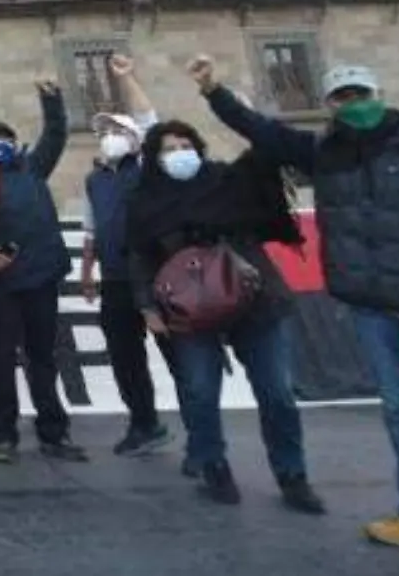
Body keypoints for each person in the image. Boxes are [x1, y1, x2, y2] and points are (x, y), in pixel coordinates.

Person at [189, 57, 399, 575]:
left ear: (378, 93)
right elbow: (258, 129)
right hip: (370, 302)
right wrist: (214, 89)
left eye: (360, 94)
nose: (355, 104)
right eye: (343, 97)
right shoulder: (323, 154)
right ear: (330, 106)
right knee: (398, 408)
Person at [125, 117, 326, 514]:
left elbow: (266, 158)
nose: (179, 153)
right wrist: (147, 306)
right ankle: (212, 463)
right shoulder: (145, 200)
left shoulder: (230, 181)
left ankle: (292, 474)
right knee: (199, 391)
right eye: (168, 148)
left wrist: (236, 109)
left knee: (278, 393)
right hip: (188, 307)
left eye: (185, 144)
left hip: (255, 299)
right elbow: (139, 256)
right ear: (153, 158)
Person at [0, 80, 88, 463]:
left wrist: (52, 99)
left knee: (44, 359)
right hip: (0, 285)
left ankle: (54, 434)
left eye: (5, 140)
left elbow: (55, 134)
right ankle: (3, 436)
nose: (0, 147)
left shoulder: (34, 168)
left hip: (41, 278)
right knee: (1, 362)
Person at [77, 55, 178, 458]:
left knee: (177, 355)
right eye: (105, 131)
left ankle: (203, 431)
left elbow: (152, 119)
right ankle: (144, 424)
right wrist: (87, 273)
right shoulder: (94, 179)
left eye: (117, 129)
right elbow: (90, 229)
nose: (109, 135)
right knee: (125, 357)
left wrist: (126, 78)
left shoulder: (152, 168)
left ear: (136, 139)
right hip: (116, 280)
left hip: (158, 277)